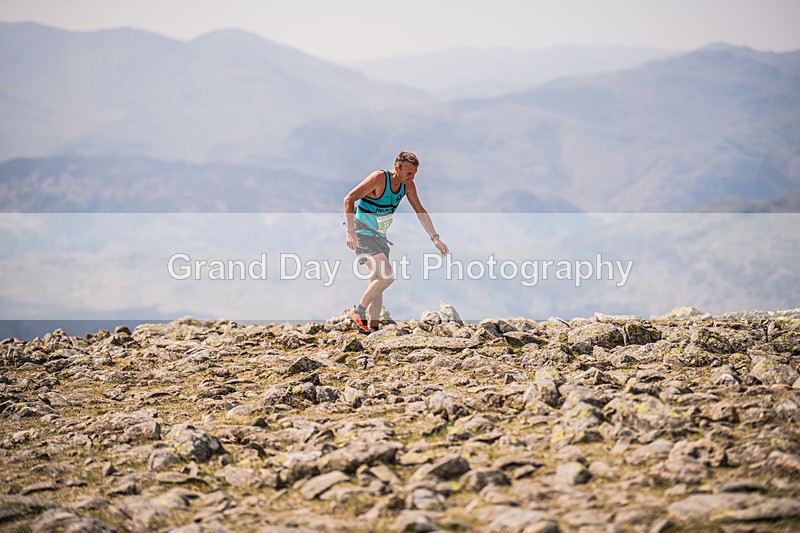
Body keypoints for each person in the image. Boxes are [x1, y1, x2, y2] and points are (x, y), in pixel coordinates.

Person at [344, 151, 449, 333]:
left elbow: (420, 212)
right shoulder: (379, 178)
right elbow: (349, 199)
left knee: (376, 281)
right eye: (408, 173)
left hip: (380, 237)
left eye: (414, 174)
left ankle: (373, 328)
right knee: (387, 275)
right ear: (396, 169)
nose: (412, 177)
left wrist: (435, 239)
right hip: (362, 234)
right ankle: (357, 312)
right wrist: (350, 232)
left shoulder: (407, 186)